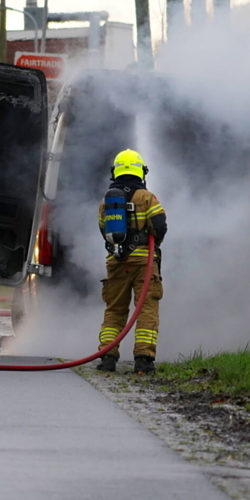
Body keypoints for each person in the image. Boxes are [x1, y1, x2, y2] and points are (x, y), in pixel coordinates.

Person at [96, 149, 166, 374]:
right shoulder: (148, 198)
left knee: (114, 310)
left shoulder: (106, 202)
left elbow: (103, 230)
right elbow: (160, 227)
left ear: (115, 172)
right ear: (141, 172)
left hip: (116, 262)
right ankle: (143, 360)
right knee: (146, 309)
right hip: (144, 264)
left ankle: (107, 357)